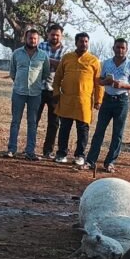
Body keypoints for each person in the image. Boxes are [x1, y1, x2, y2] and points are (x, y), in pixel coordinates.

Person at [86, 38, 130, 174]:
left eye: (123, 48)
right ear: (113, 48)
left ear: (126, 50)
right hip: (107, 99)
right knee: (99, 131)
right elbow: (98, 80)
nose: (120, 50)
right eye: (118, 47)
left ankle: (110, 162)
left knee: (117, 133)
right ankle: (90, 161)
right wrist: (105, 81)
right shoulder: (106, 63)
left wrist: (123, 85)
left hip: (121, 100)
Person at [52, 32, 104, 165]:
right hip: (67, 100)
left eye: (86, 41)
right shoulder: (67, 58)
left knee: (83, 130)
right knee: (64, 128)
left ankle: (80, 155)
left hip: (84, 101)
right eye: (81, 41)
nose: (84, 44)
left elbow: (98, 83)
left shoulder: (94, 60)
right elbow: (57, 77)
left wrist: (98, 100)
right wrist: (56, 92)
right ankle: (61, 153)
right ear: (76, 43)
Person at [4, 29, 50, 160]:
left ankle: (30, 151)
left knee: (32, 122)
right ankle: (11, 149)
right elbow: (12, 72)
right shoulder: (17, 53)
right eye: (30, 38)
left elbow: (45, 74)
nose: (33, 41)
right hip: (18, 92)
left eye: (35, 38)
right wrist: (20, 82)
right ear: (26, 38)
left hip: (35, 93)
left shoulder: (43, 56)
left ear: (38, 40)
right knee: (15, 121)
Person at [36, 24, 70, 160]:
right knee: (34, 120)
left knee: (54, 123)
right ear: (48, 34)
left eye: (57, 35)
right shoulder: (41, 46)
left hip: (55, 91)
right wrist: (55, 63)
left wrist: (46, 60)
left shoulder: (66, 51)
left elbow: (63, 67)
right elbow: (36, 62)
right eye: (52, 34)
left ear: (61, 36)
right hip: (38, 88)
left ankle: (48, 151)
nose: (54, 37)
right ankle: (29, 148)